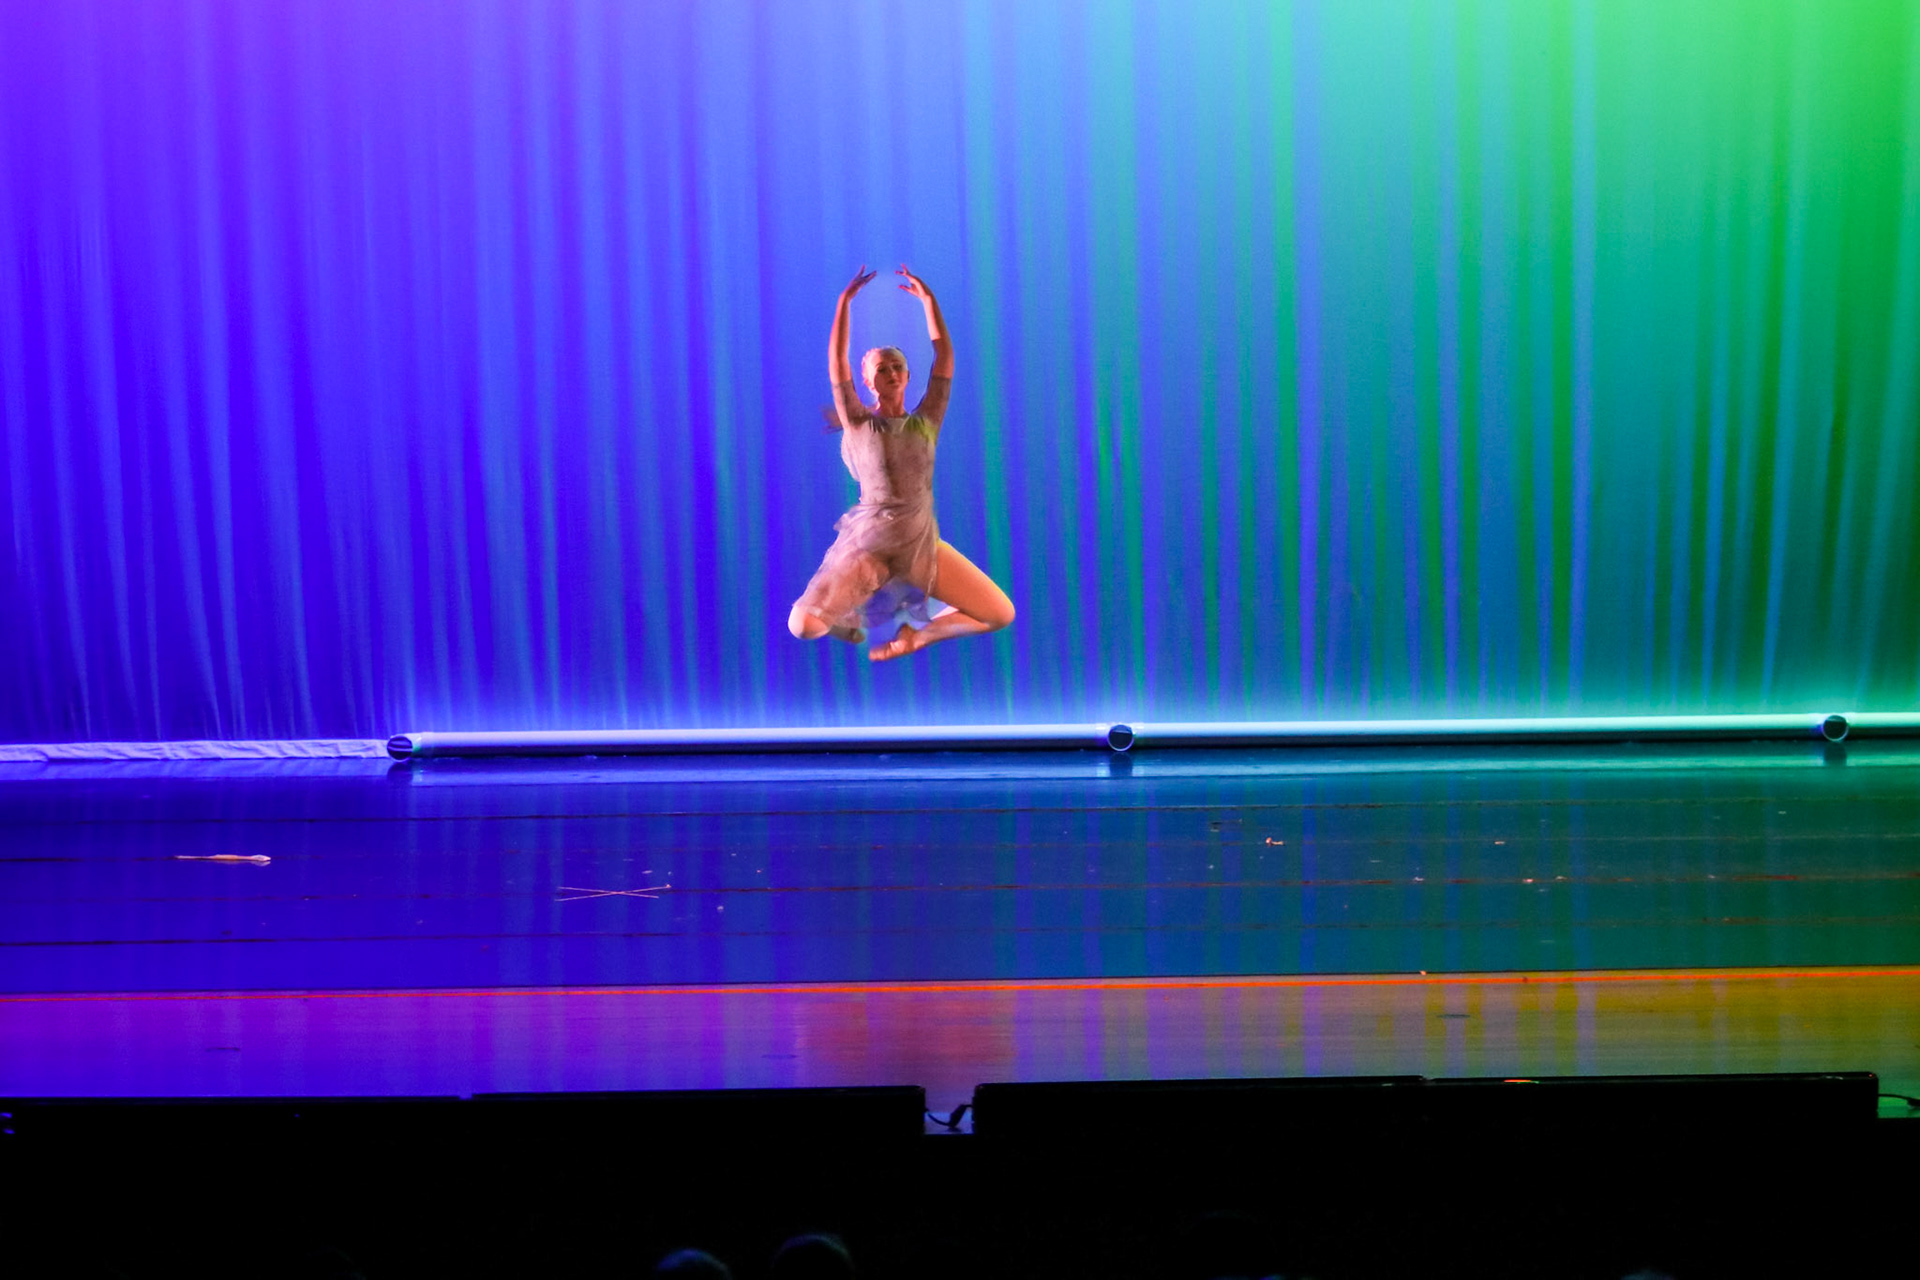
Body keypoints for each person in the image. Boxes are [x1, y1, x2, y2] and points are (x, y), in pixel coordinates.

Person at [786, 265, 1015, 662]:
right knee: (802, 626)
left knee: (999, 613)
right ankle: (844, 615)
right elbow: (837, 362)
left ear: (908, 376)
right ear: (867, 381)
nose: (891, 372)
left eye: (897, 367)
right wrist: (844, 303)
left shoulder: (926, 422)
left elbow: (944, 357)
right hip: (871, 545)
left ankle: (916, 637)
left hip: (919, 542)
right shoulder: (858, 422)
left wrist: (929, 302)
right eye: (881, 368)